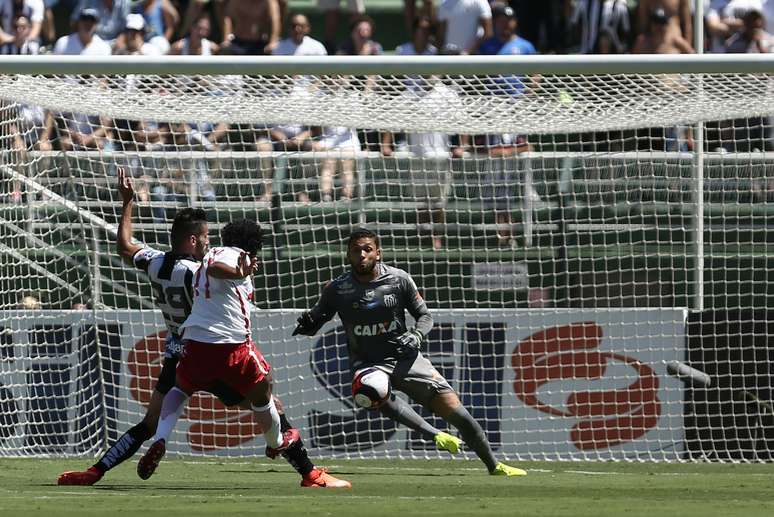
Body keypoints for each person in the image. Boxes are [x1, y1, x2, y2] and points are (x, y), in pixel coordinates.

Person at [293, 228, 527, 477]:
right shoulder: (337, 289)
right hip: (369, 364)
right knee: (370, 390)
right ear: (347, 255)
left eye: (367, 249)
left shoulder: (398, 279)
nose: (361, 255)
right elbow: (317, 319)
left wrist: (416, 334)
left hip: (407, 359)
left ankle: (495, 466)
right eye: (355, 250)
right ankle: (434, 434)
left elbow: (425, 316)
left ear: (378, 253)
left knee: (460, 415)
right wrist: (308, 324)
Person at [137, 218, 351, 488]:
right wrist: (240, 269)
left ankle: (161, 438)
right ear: (255, 245)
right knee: (265, 395)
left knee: (180, 387)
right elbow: (217, 267)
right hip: (230, 346)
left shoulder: (215, 253)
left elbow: (212, 264)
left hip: (194, 343)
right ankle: (278, 442)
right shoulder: (232, 255)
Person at [57, 167, 220, 486]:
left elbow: (125, 245)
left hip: (176, 352)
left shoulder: (156, 262)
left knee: (148, 422)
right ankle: (306, 469)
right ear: (192, 239)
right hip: (208, 350)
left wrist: (127, 202)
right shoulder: (197, 272)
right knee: (264, 396)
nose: (208, 242)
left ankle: (96, 470)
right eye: (206, 237)